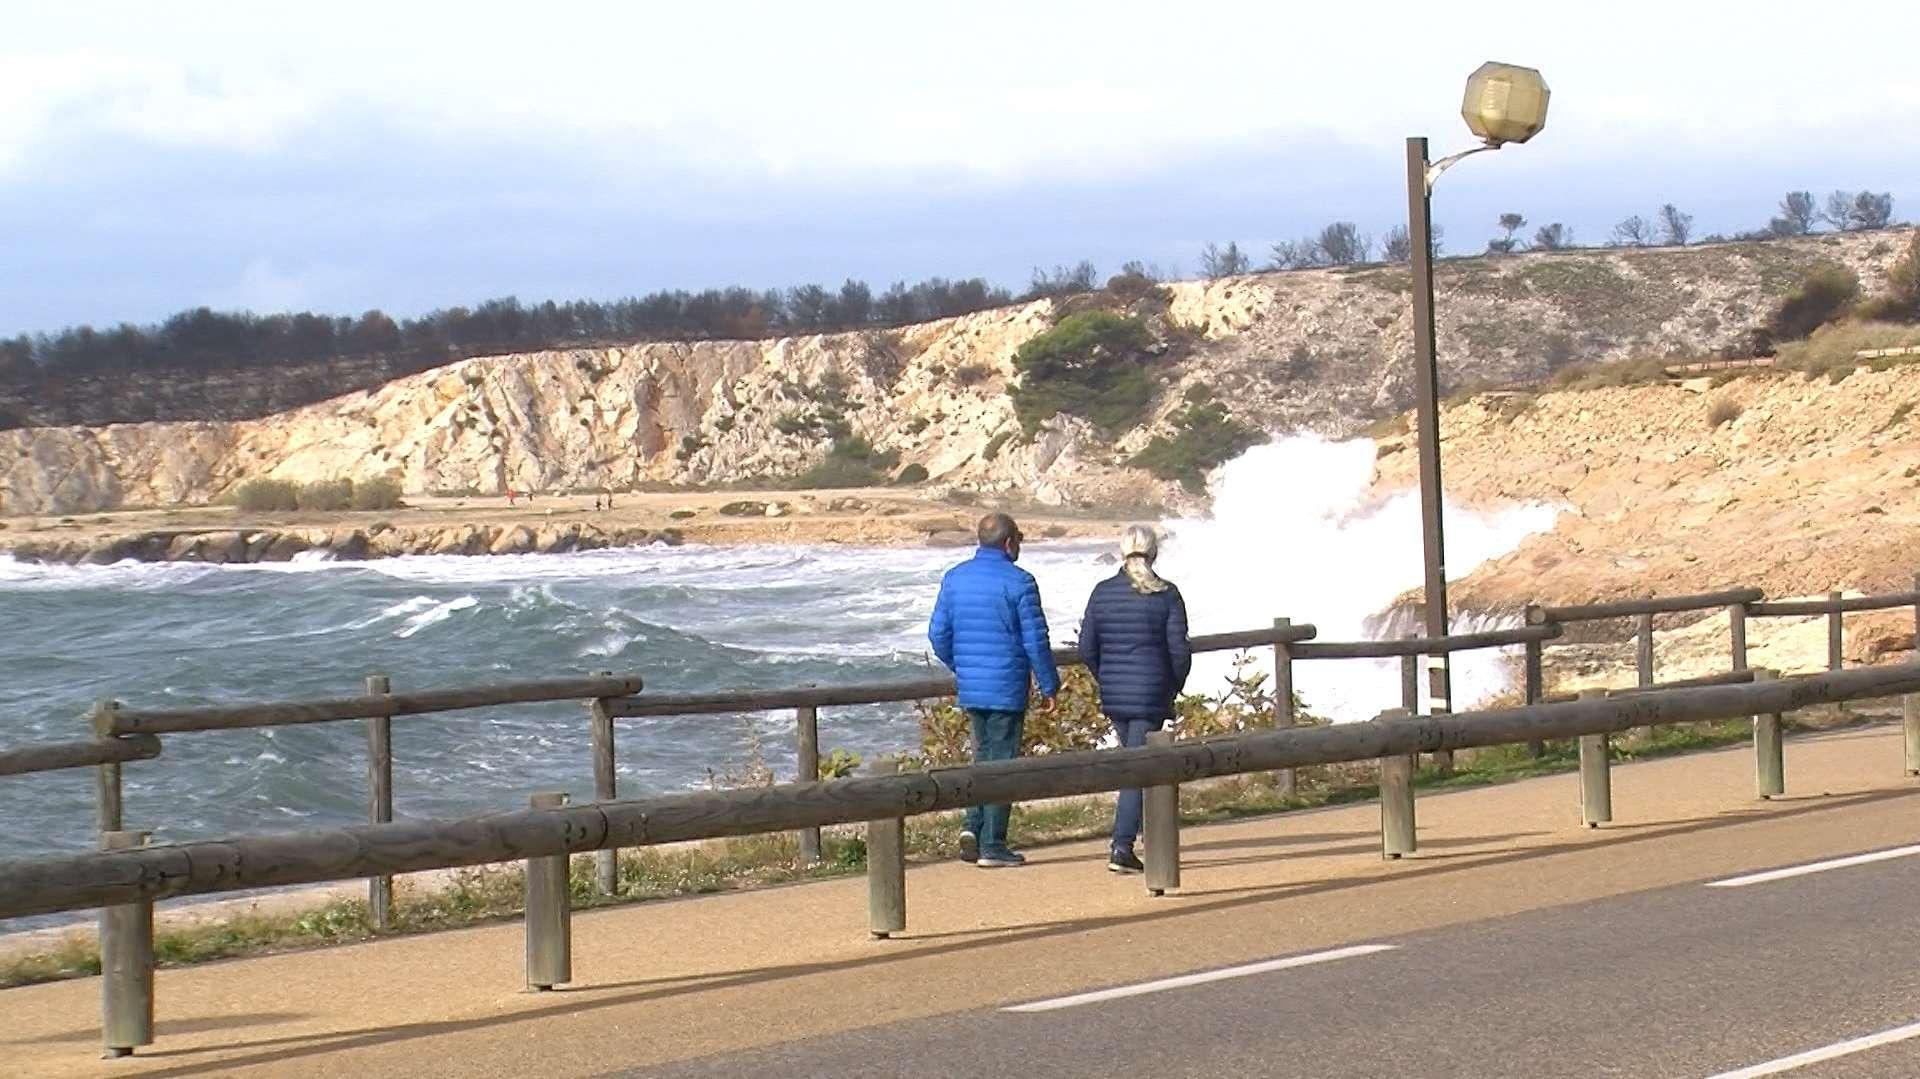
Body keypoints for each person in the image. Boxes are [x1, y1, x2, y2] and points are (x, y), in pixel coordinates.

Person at [929, 512, 1061, 868]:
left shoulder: (955, 578)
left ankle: (972, 825)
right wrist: (1049, 684)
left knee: (982, 757)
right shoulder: (1020, 582)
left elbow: (937, 634)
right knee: (1002, 763)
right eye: (1019, 539)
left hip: (973, 685)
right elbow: (1035, 640)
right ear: (1008, 542)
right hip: (1007, 684)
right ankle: (993, 844)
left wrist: (963, 666)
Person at [1079, 525, 1191, 874]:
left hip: (1115, 692)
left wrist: (1105, 677)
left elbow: (1087, 647)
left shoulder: (1102, 592)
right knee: (1137, 771)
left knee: (1133, 762)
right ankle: (1122, 846)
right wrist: (1172, 685)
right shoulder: (1166, 594)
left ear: (1122, 551)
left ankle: (1135, 837)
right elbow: (1179, 651)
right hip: (1151, 691)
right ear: (1154, 552)